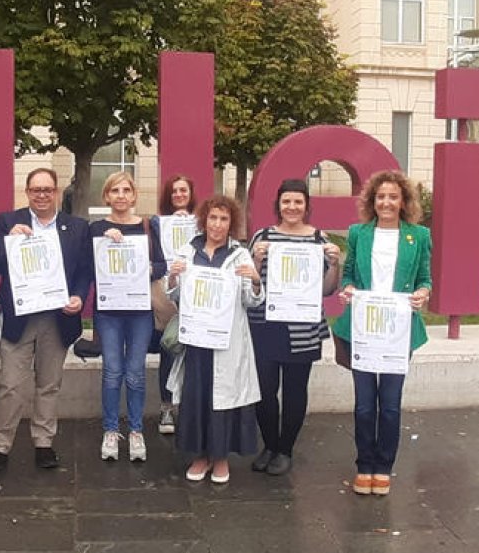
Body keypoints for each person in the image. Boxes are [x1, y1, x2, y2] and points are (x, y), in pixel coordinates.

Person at [0, 167, 92, 473]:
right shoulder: (9, 222)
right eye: (35, 190)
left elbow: (84, 271)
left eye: (47, 190)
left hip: (57, 318)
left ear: (56, 192)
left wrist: (80, 297)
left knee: (49, 384)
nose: (41, 195)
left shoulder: (77, 227)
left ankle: (44, 442)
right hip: (20, 318)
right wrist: (8, 241)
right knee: (10, 385)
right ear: (27, 193)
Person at [333, 170, 432, 497]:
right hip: (363, 330)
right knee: (364, 405)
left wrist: (423, 293)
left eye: (393, 196)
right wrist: (347, 289)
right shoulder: (358, 233)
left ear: (403, 201)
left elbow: (424, 278)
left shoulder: (418, 236)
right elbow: (348, 275)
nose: (386, 202)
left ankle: (383, 466)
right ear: (372, 201)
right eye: (381, 197)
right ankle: (364, 465)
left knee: (389, 405)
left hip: (398, 332)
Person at [166, 195, 264, 484]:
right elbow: (175, 296)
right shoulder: (188, 251)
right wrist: (173, 277)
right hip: (197, 341)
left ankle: (220, 458)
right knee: (197, 396)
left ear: (231, 223)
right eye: (212, 218)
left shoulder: (239, 255)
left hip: (227, 341)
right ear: (204, 220)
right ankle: (199, 456)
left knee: (222, 400)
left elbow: (251, 300)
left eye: (223, 219)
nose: (217, 224)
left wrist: (255, 280)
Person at [247, 178, 341, 476]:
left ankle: (286, 449)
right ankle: (270, 445)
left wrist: (335, 264)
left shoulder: (319, 241)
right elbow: (249, 285)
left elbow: (327, 290)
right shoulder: (263, 236)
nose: (292, 207)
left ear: (306, 205)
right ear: (278, 204)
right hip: (265, 326)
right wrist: (255, 259)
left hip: (303, 329)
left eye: (298, 201)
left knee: (294, 391)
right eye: (286, 201)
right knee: (263, 392)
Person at [90, 172, 166, 462]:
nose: (121, 195)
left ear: (134, 195)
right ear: (106, 196)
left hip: (139, 312)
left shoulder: (147, 228)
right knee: (111, 372)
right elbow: (88, 265)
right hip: (109, 312)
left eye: (126, 190)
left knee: (135, 373)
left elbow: (162, 264)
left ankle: (135, 431)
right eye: (114, 190)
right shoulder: (96, 228)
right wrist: (103, 243)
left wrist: (148, 269)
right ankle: (111, 429)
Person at [148, 174, 196, 436]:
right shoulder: (157, 223)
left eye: (183, 190)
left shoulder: (202, 221)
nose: (179, 195)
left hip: (197, 292)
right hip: (167, 293)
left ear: (191, 194)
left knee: (195, 353)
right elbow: (154, 254)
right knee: (170, 346)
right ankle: (166, 406)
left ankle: (189, 407)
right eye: (174, 191)